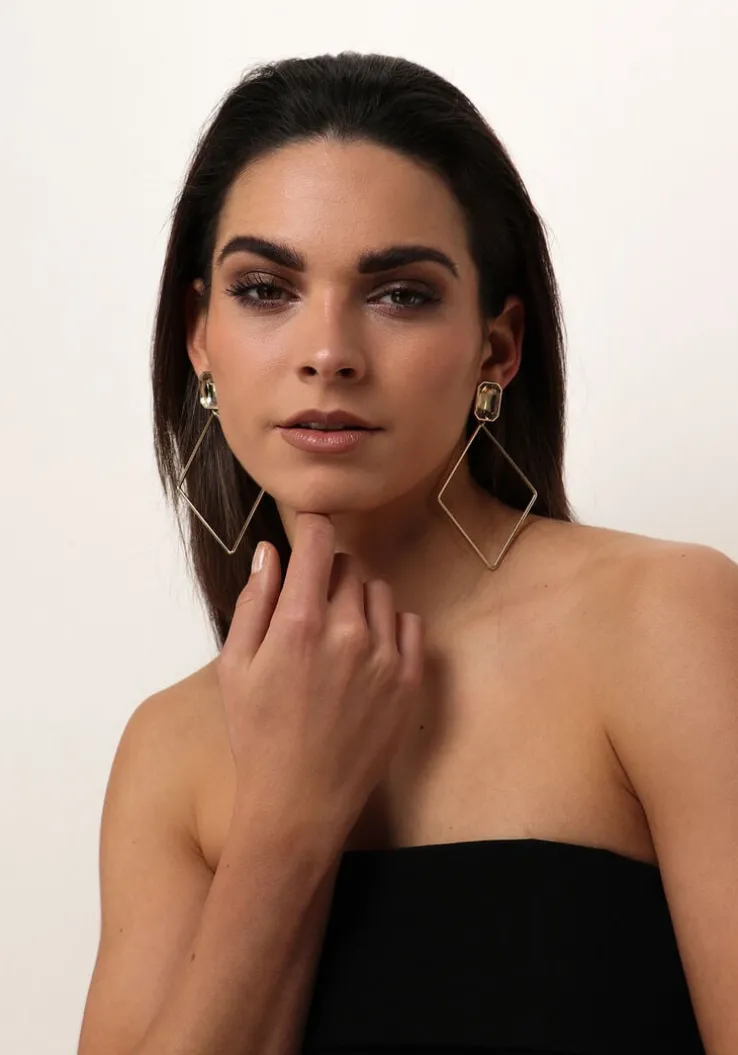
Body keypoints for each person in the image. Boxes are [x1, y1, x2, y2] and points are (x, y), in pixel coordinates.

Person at [77, 52, 738, 1055]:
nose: (328, 351)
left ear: (497, 348)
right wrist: (286, 820)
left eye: (398, 294)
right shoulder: (169, 749)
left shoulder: (660, 621)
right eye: (265, 288)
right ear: (200, 337)